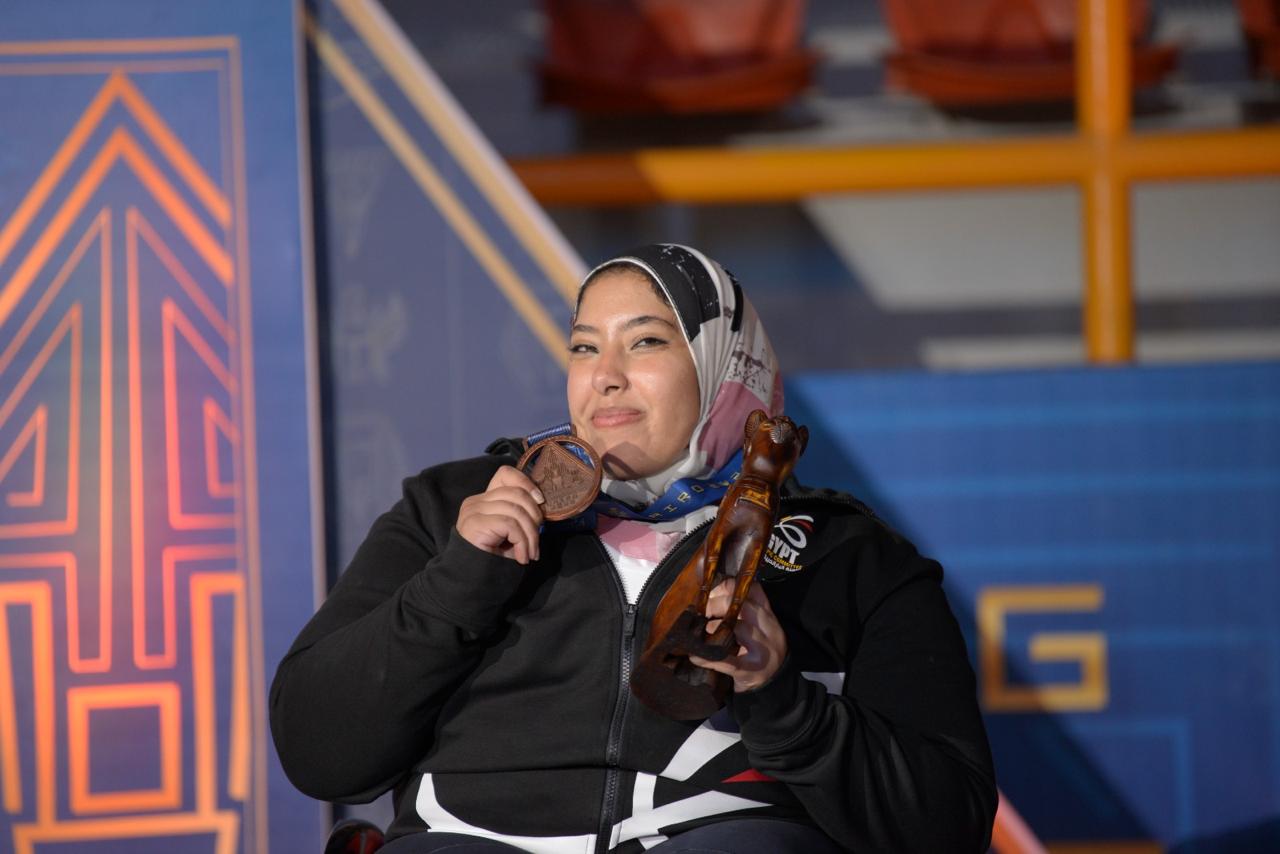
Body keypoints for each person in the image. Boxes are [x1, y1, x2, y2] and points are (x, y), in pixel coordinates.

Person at [270, 244, 996, 853]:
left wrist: (781, 700)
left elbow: (948, 825)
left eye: (645, 341)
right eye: (584, 346)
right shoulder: (456, 508)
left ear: (724, 364)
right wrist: (457, 581)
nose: (605, 375)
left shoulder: (843, 554)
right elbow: (319, 754)